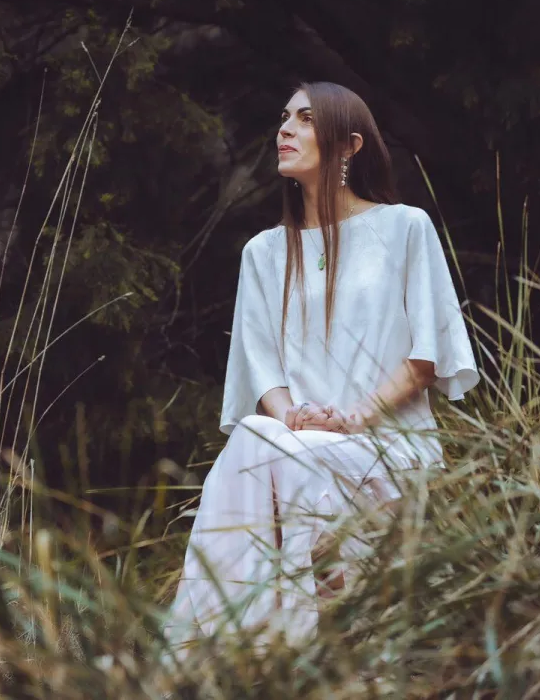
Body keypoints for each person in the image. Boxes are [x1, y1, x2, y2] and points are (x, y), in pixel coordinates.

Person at [163, 82, 480, 653]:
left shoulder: (405, 227)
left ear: (349, 145)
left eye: (305, 119)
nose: (284, 129)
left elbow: (425, 359)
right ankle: (277, 650)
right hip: (291, 447)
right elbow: (263, 376)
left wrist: (355, 417)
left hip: (387, 448)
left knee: (264, 448)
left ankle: (228, 656)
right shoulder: (262, 253)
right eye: (284, 117)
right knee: (266, 434)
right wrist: (299, 416)